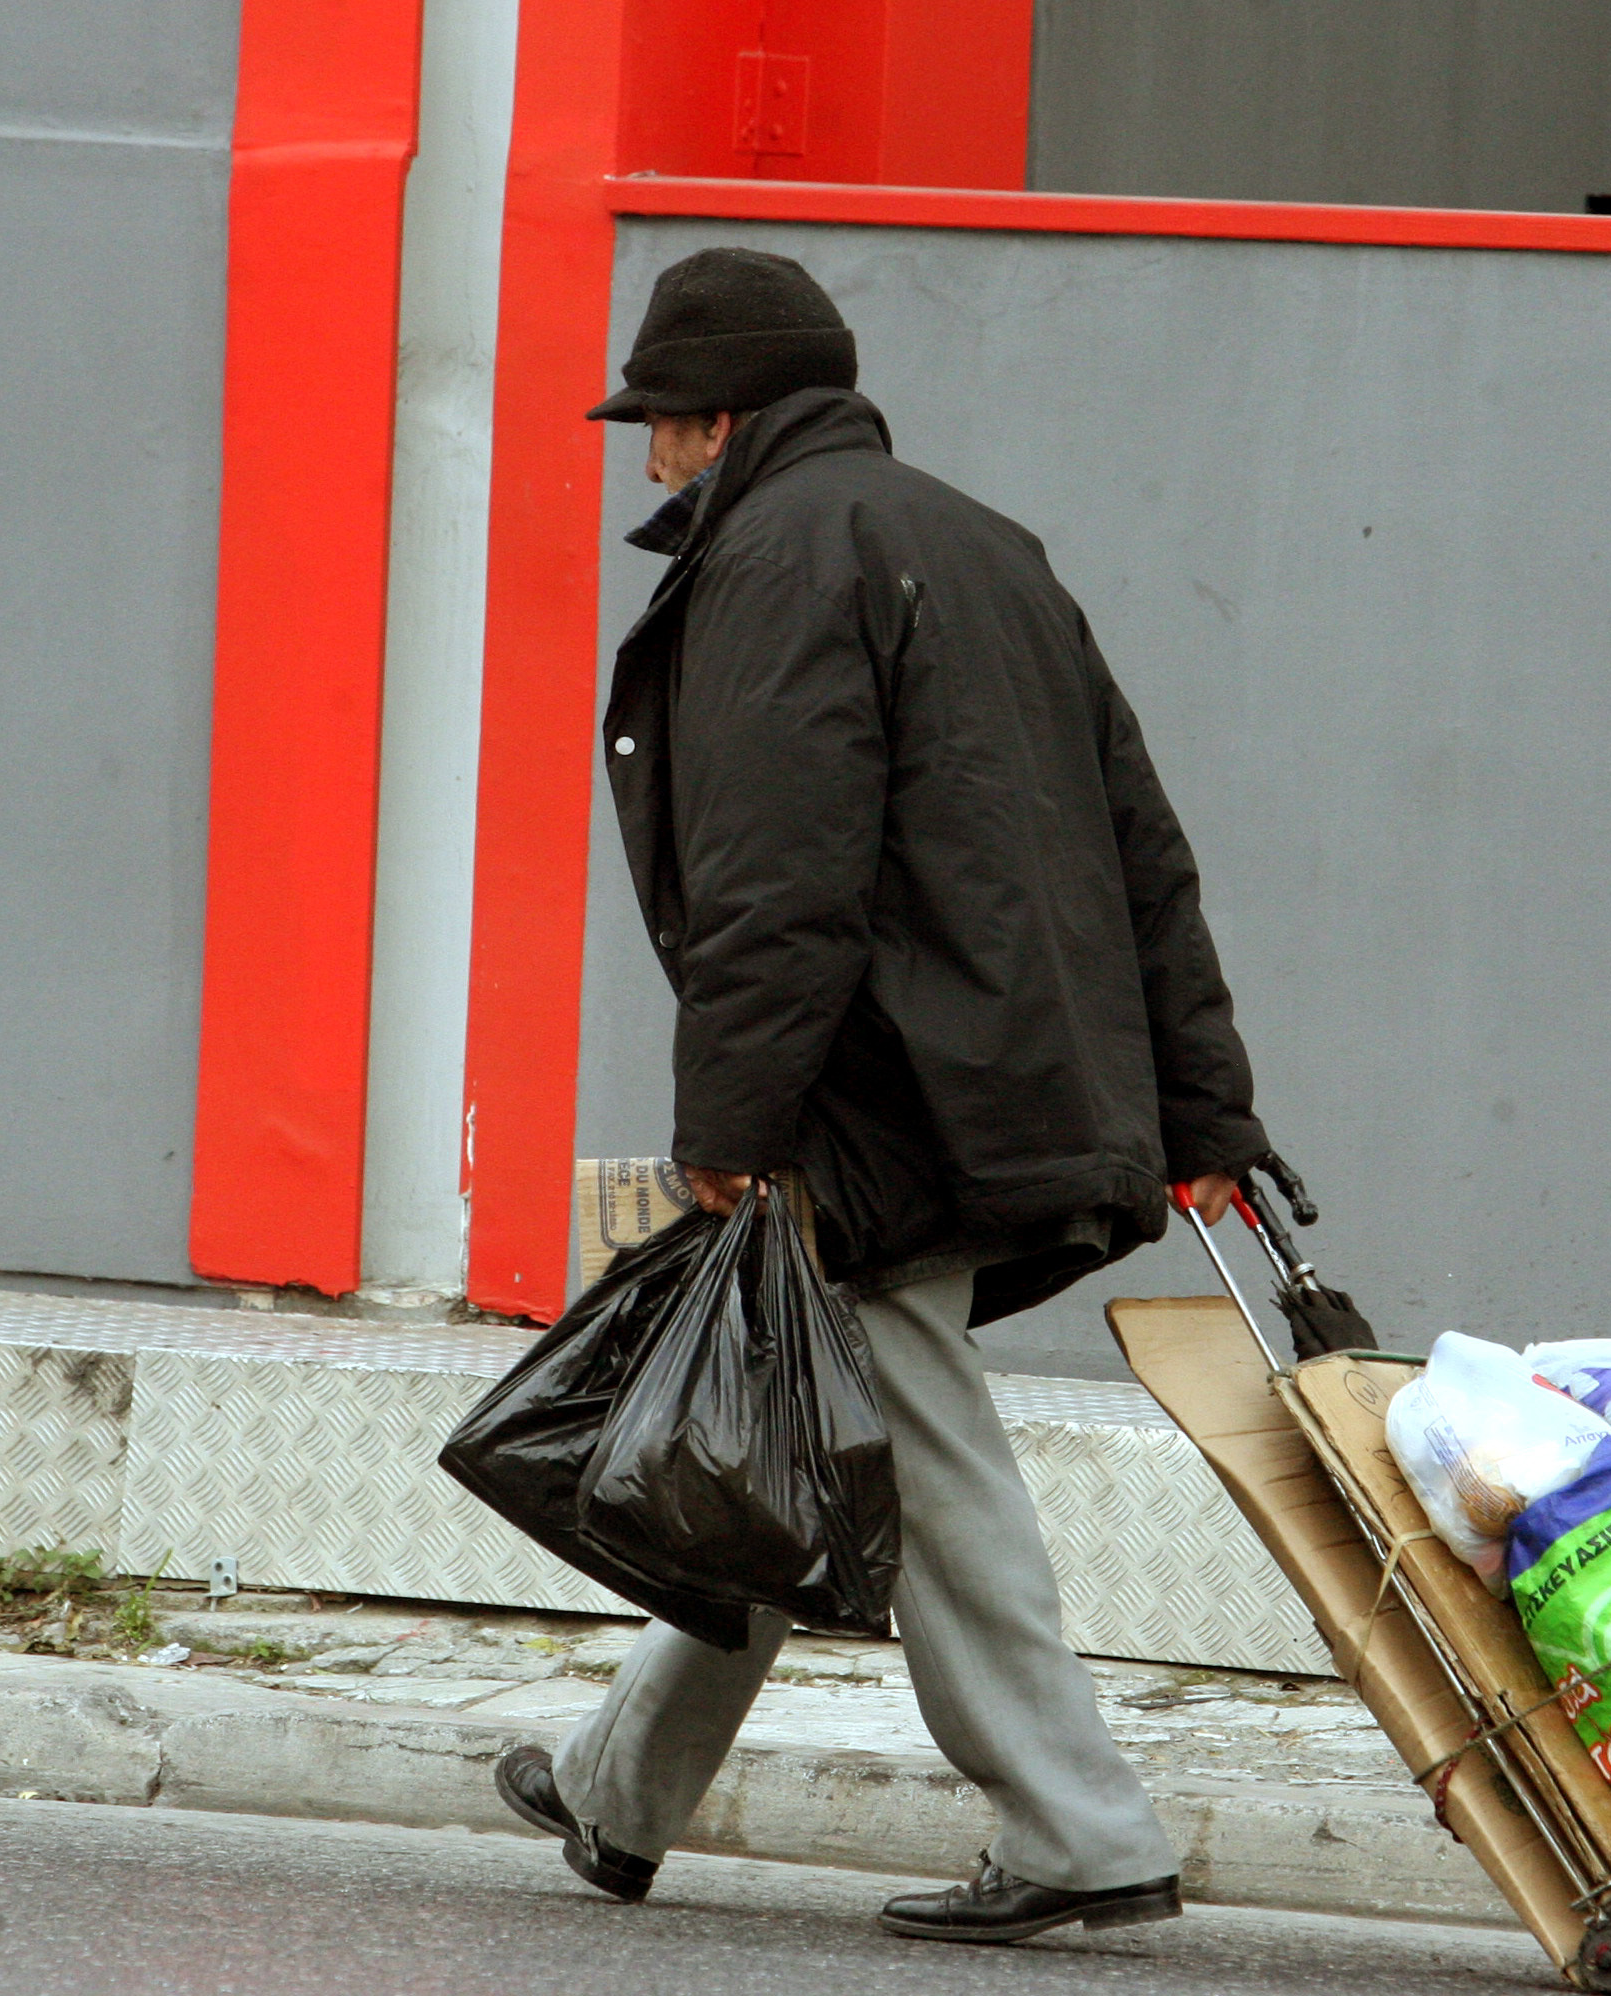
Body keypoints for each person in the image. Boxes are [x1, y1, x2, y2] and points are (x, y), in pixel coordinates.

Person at [490, 247, 1273, 1945]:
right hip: (993, 1065)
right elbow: (1145, 853)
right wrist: (1208, 1109)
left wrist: (729, 1126)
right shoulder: (985, 547)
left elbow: (781, 880)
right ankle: (621, 1790)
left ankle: (1081, 1829)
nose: (649, 465)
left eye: (665, 427)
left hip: (885, 1091)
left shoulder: (781, 558)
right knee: (776, 1409)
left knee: (912, 1452)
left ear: (726, 418)